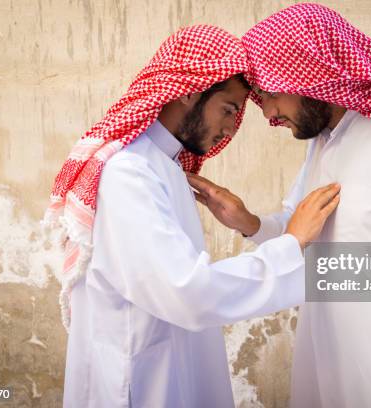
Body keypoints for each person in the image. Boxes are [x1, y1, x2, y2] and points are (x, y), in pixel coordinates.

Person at [190, 4, 371, 407]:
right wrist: (251, 223)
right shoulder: (325, 142)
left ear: (309, 73)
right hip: (332, 370)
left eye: (273, 95)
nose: (271, 114)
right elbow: (306, 235)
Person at [44, 24, 340, 407]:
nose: (231, 128)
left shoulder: (162, 167)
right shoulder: (128, 174)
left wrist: (252, 224)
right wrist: (290, 244)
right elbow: (189, 292)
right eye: (229, 110)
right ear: (188, 91)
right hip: (141, 385)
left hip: (173, 371)